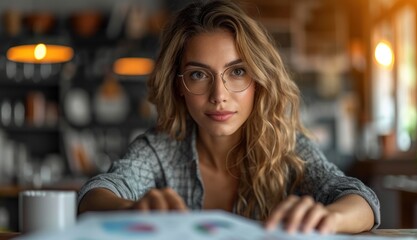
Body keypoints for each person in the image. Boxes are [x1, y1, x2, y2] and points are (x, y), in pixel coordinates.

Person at [78, 0, 380, 234]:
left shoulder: (287, 149)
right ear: (179, 86)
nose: (219, 95)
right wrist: (132, 211)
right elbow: (94, 196)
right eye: (198, 74)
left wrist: (330, 217)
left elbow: (361, 200)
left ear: (259, 80)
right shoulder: (160, 150)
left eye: (237, 72)